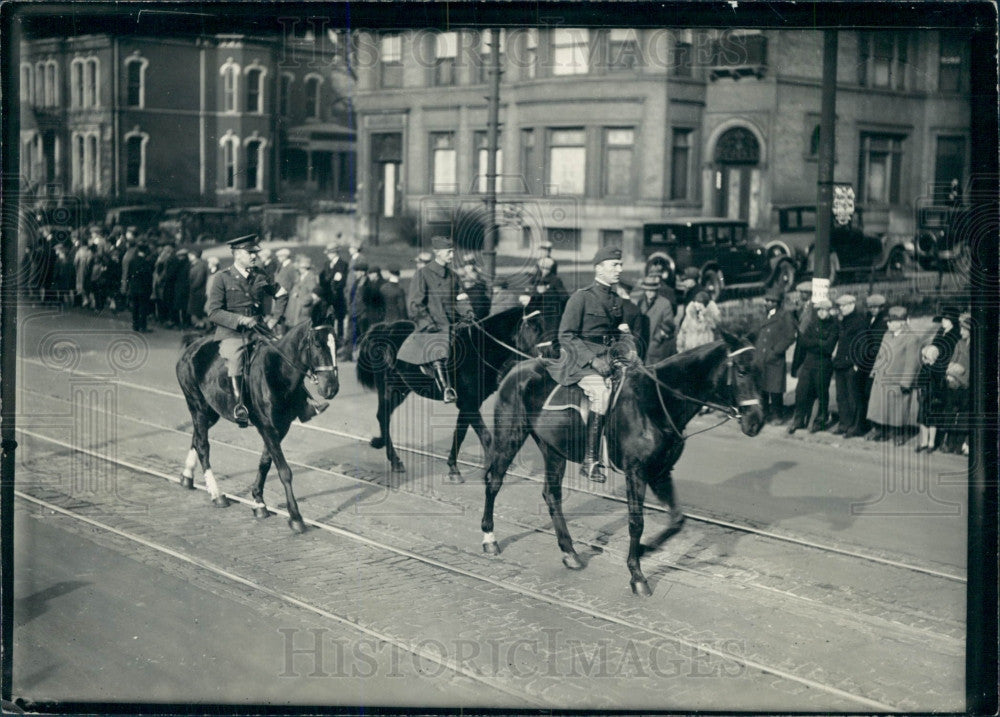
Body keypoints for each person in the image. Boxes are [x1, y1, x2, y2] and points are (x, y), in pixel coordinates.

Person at [548, 246, 640, 483]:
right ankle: (590, 459)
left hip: (609, 359)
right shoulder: (581, 297)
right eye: (614, 265)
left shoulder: (615, 299)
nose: (619, 269)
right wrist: (592, 359)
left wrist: (631, 349)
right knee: (601, 393)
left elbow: (620, 333)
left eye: (620, 264)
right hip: (581, 363)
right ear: (599, 268)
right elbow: (565, 336)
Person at [205, 235, 284, 427]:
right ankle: (239, 405)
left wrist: (274, 318)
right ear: (238, 254)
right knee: (235, 358)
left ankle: (303, 402)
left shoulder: (261, 275)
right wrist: (240, 320)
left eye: (255, 252)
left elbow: (282, 294)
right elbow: (213, 312)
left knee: (283, 354)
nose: (255, 256)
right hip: (233, 333)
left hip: (259, 329)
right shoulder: (222, 278)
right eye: (251, 253)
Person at [397, 235, 475, 403]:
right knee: (439, 348)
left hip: (453, 323)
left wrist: (468, 312)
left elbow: (461, 298)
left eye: (453, 251)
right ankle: (446, 388)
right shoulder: (423, 274)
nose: (452, 255)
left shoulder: (453, 275)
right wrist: (428, 323)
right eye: (449, 252)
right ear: (437, 252)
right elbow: (414, 304)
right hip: (432, 326)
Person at [866, 305, 922, 445]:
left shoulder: (911, 338)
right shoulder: (887, 334)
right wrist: (874, 370)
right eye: (888, 321)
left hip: (897, 381)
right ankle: (880, 431)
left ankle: (899, 434)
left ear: (901, 323)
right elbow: (880, 354)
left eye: (891, 322)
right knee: (879, 407)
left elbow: (912, 363)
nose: (888, 324)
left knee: (898, 410)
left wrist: (906, 382)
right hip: (882, 377)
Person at [788, 298, 839, 434]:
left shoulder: (834, 324)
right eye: (819, 310)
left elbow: (828, 348)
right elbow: (804, 342)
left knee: (821, 393)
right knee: (801, 391)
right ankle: (798, 420)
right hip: (809, 362)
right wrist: (820, 342)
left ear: (830, 311)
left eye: (825, 310)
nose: (822, 313)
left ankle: (819, 422)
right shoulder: (813, 322)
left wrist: (815, 342)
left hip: (824, 364)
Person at [753, 286, 798, 424]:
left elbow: (790, 336)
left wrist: (776, 351)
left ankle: (777, 415)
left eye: (770, 301)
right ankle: (765, 413)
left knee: (775, 389)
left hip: (774, 358)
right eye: (766, 300)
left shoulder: (784, 316)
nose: (766, 303)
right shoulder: (765, 315)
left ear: (776, 303)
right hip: (761, 357)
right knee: (762, 388)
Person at [830, 294, 868, 436]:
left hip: (852, 365)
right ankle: (844, 424)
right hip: (840, 364)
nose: (841, 308)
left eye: (844, 306)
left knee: (854, 397)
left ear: (852, 305)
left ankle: (857, 426)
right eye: (840, 306)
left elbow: (863, 344)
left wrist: (857, 364)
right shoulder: (843, 321)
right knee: (841, 396)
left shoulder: (859, 321)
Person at [857, 293, 889, 434]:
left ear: (882, 308)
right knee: (863, 394)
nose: (873, 310)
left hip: (876, 362)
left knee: (874, 395)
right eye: (871, 307)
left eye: (876, 307)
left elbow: (879, 344)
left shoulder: (883, 322)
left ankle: (876, 427)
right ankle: (864, 424)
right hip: (865, 362)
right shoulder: (868, 319)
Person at [940, 313, 970, 454]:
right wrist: (951, 373)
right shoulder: (959, 343)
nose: (961, 332)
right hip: (954, 382)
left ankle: (959, 444)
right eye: (961, 329)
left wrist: (959, 375)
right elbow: (952, 361)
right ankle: (949, 442)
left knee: (964, 414)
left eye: (964, 329)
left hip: (966, 384)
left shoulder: (976, 345)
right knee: (951, 412)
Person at [630, 274, 675, 364]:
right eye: (647, 290)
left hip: (657, 348)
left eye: (652, 290)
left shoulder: (665, 304)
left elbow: (669, 325)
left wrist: (656, 340)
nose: (649, 293)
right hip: (643, 345)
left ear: (657, 290)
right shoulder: (641, 302)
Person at [912, 344, 947, 453]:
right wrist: (919, 392)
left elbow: (940, 385)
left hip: (933, 399)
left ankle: (931, 443)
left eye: (925, 357)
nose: (923, 359)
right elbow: (919, 382)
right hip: (924, 397)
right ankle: (924, 442)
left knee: (932, 422)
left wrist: (937, 396)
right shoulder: (925, 367)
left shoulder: (938, 369)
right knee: (923, 421)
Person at [318, 243, 349, 341]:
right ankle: (328, 337)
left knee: (339, 318)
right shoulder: (327, 264)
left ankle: (340, 338)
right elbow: (323, 279)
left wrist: (335, 286)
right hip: (327, 296)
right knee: (328, 317)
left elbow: (342, 281)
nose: (328, 255)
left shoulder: (343, 264)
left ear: (335, 253)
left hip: (338, 295)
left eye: (330, 253)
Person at [283, 254, 321, 328]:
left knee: (302, 329)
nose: (298, 270)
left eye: (300, 268)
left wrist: (303, 301)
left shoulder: (310, 277)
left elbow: (314, 294)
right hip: (296, 309)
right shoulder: (301, 276)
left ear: (304, 268)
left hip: (303, 310)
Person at [127, 243, 155, 333]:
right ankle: (143, 326)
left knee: (135, 307)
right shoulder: (145, 262)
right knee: (143, 308)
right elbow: (148, 277)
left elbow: (129, 274)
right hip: (143, 288)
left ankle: (135, 325)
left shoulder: (132, 261)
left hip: (134, 287)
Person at [458, 253, 492, 320]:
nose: (468, 267)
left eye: (470, 264)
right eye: (466, 265)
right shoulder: (463, 275)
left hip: (475, 296)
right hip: (471, 296)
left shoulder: (476, 275)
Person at [359, 264, 386, 335]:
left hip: (379, 312)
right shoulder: (369, 284)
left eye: (370, 274)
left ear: (376, 274)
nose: (369, 276)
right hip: (371, 312)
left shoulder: (382, 284)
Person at [187, 248, 209, 329]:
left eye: (190, 255)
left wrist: (192, 287)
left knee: (196, 311)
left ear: (195, 256)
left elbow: (199, 280)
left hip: (198, 292)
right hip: (195, 292)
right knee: (195, 311)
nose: (189, 257)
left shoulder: (200, 266)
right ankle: (200, 325)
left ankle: (202, 325)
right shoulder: (195, 265)